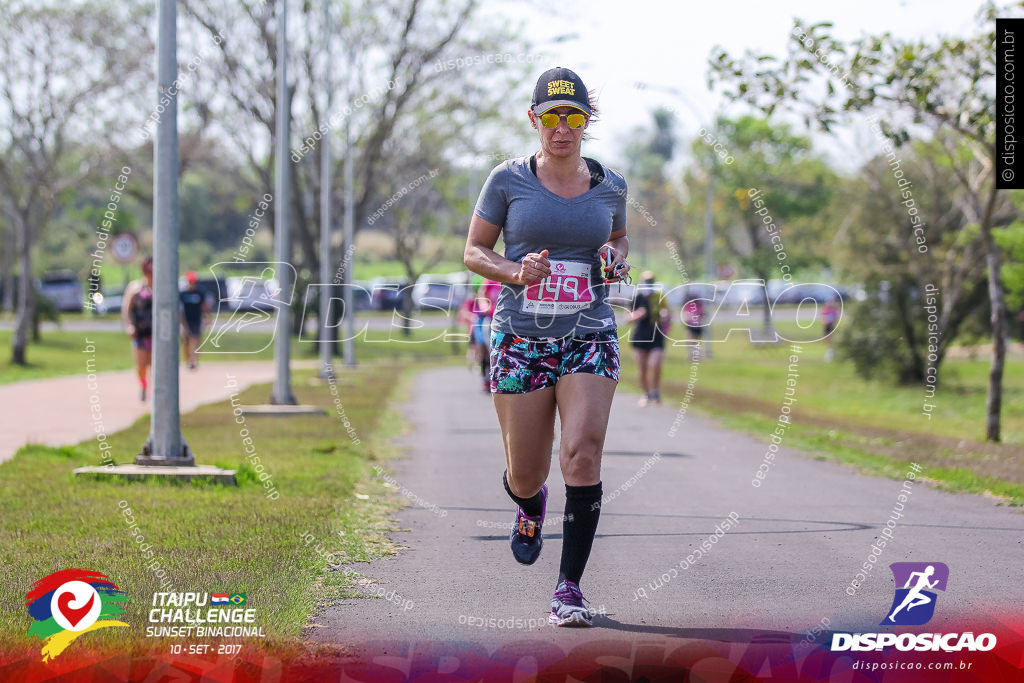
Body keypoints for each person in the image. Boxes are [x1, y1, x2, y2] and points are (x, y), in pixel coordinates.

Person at [464, 66, 629, 627]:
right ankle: (528, 505)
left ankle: (569, 588)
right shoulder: (507, 180)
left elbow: (617, 236)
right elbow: (473, 251)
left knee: (582, 449)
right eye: (552, 116)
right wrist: (515, 270)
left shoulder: (611, 184)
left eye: (574, 117)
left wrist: (615, 256)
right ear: (534, 120)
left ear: (587, 123)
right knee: (527, 472)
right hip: (520, 337)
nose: (563, 127)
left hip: (589, 330)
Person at [629, 271, 670, 406]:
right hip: (640, 336)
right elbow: (627, 318)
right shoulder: (637, 298)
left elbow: (668, 313)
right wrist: (637, 315)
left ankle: (655, 391)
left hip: (656, 335)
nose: (649, 283)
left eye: (651, 280)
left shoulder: (659, 297)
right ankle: (646, 394)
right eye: (646, 280)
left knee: (655, 364)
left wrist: (665, 316)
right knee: (642, 368)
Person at [122, 256, 154, 401]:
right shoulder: (135, 288)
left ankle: (155, 390)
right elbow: (126, 309)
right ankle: (143, 385)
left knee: (155, 364)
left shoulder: (163, 289)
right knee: (141, 365)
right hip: (140, 332)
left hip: (157, 333)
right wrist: (129, 326)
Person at [822, 296, 840, 362]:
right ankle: (829, 351)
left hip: (831, 326)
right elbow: (824, 318)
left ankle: (830, 352)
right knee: (827, 339)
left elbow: (836, 318)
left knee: (831, 338)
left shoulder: (833, 310)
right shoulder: (826, 309)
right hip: (827, 326)